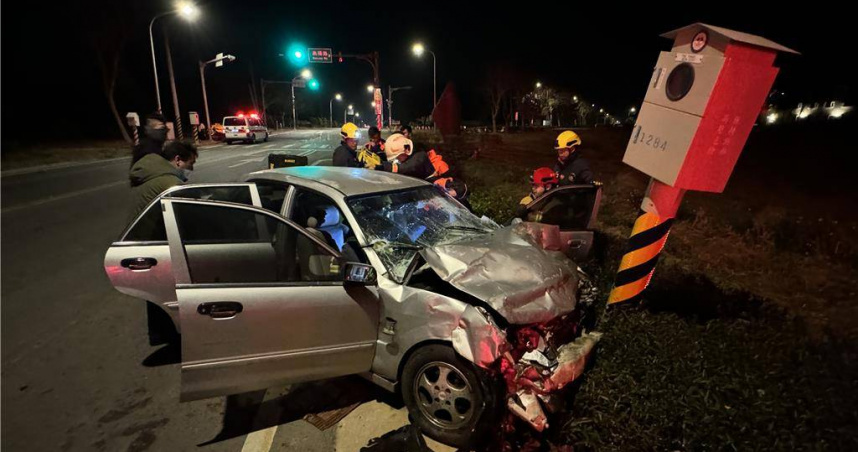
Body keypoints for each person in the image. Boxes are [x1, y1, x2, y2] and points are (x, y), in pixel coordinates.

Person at [128, 140, 198, 221]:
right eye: (191, 164)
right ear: (178, 160)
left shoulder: (150, 175)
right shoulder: (172, 185)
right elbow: (190, 212)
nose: (192, 169)